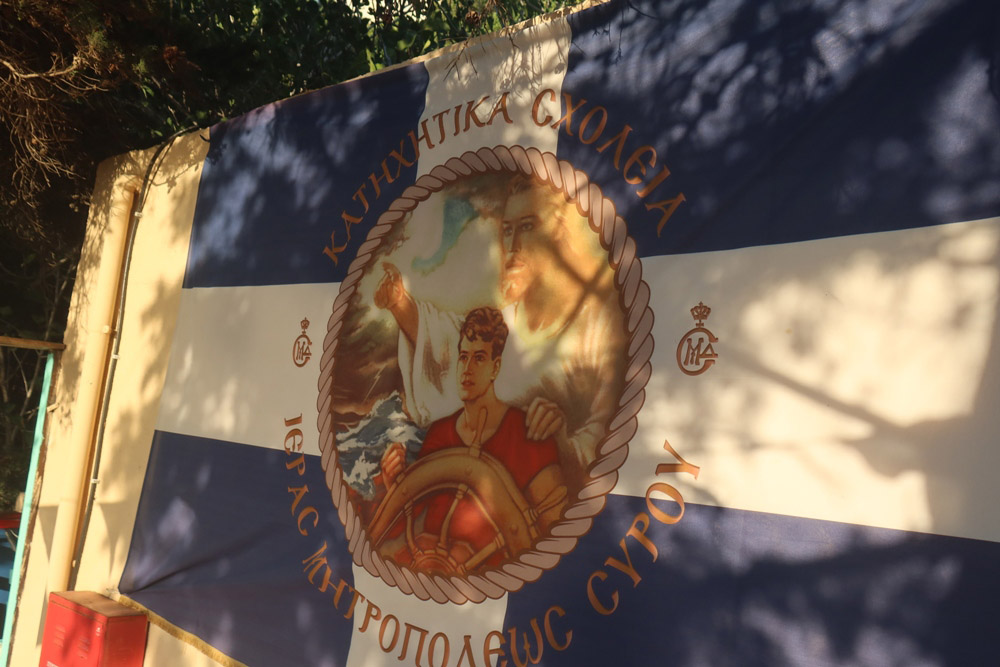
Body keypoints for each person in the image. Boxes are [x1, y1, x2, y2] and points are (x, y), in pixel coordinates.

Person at [374, 175, 625, 483]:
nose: (513, 245)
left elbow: (605, 430)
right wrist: (400, 303)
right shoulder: (504, 320)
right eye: (507, 230)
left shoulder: (596, 325)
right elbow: (449, 341)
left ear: (559, 233)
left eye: (527, 227)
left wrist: (560, 443)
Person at [372, 307, 567, 573]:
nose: (467, 368)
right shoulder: (440, 434)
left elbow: (554, 540)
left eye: (479, 358)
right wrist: (393, 484)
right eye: (463, 357)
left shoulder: (528, 435)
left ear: (495, 367)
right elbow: (409, 520)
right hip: (430, 574)